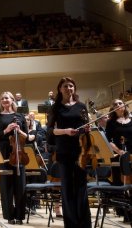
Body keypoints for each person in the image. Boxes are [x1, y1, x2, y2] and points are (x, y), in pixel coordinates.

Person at [46, 77, 91, 228]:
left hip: (81, 151)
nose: (68, 89)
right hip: (64, 150)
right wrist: (65, 131)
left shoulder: (81, 106)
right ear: (60, 89)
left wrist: (87, 129)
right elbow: (50, 131)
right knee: (67, 187)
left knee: (81, 186)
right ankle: (71, 223)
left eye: (71, 86)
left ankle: (84, 223)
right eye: (65, 86)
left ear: (74, 88)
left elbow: (85, 125)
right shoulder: (55, 107)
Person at [0, 91, 29, 225]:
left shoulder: (20, 116)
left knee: (20, 185)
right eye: (2, 99)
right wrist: (6, 130)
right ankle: (9, 216)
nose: (5, 100)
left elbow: (27, 137)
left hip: (19, 152)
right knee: (6, 186)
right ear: (1, 102)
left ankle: (20, 216)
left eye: (7, 98)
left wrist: (19, 131)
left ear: (12, 100)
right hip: (4, 153)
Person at [105, 98, 132, 222]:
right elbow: (109, 140)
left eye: (120, 103)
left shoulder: (131, 120)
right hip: (118, 155)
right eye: (115, 104)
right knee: (119, 183)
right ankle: (124, 212)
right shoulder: (111, 122)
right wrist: (120, 152)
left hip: (131, 155)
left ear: (125, 106)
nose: (118, 105)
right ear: (113, 108)